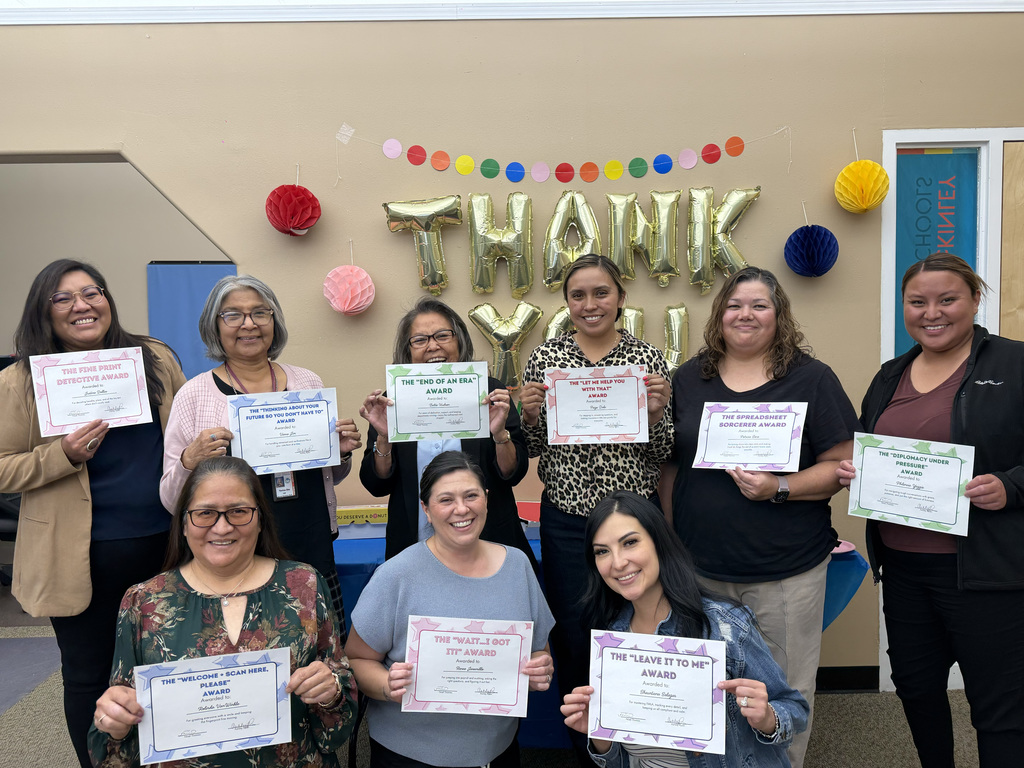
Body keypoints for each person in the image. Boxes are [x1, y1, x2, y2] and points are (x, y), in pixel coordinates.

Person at [661, 266, 857, 768]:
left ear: (779, 315)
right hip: (700, 569)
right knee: (708, 692)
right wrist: (669, 542)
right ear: (719, 314)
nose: (745, 314)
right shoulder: (690, 377)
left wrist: (780, 487)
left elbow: (841, 463)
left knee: (782, 692)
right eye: (734, 305)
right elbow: (670, 465)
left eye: (759, 305)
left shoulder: (810, 377)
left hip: (784, 571)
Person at [836, 252, 1024, 767]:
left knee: (998, 704)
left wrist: (1011, 486)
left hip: (985, 571)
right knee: (916, 689)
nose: (931, 312)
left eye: (947, 299)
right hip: (903, 568)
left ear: (975, 300)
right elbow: (868, 446)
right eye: (917, 302)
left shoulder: (1014, 364)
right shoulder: (889, 375)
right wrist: (860, 471)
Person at [0, 259, 186, 768]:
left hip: (167, 546)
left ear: (108, 300)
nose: (82, 305)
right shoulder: (20, 379)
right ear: (44, 311)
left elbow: (184, 432)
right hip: (77, 556)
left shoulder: (152, 357)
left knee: (172, 667)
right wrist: (62, 455)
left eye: (92, 292)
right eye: (64, 298)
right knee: (88, 674)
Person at [89, 456, 357, 767]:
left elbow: (338, 723)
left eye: (239, 512)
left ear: (260, 520)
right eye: (205, 513)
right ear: (184, 523)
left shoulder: (304, 585)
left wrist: (330, 692)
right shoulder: (144, 602)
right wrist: (115, 723)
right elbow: (115, 743)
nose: (222, 526)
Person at [518, 253, 672, 761]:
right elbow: (534, 448)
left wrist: (654, 414)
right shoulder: (545, 360)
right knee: (576, 634)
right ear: (566, 303)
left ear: (621, 298)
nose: (590, 304)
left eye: (601, 293)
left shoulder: (647, 360)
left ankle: (643, 747)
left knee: (635, 631)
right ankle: (590, 749)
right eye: (578, 295)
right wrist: (531, 417)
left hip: (631, 520)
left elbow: (661, 453)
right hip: (566, 520)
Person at [160, 275, 361, 635]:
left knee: (323, 657)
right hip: (234, 556)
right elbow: (171, 499)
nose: (249, 324)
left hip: (310, 545)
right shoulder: (194, 395)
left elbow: (324, 477)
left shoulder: (308, 383)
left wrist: (340, 455)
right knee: (250, 657)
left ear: (274, 321)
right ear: (214, 326)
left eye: (259, 313)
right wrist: (189, 462)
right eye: (233, 315)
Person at [560, 490, 808, 768]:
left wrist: (767, 718)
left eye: (630, 543)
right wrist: (599, 734)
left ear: (659, 543)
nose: (617, 563)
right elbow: (621, 760)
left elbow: (795, 710)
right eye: (602, 551)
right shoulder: (610, 638)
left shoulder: (724, 625)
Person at [345, 451, 555, 768]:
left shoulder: (518, 566)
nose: (461, 509)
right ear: (426, 510)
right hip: (409, 754)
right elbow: (357, 659)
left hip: (496, 751)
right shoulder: (396, 575)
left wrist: (539, 668)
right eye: (446, 500)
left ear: (486, 499)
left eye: (471, 495)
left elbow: (539, 650)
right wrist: (387, 686)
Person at [358, 296, 536, 568]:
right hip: (414, 548)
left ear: (459, 341)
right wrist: (384, 437)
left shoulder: (489, 391)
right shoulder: (392, 401)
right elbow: (376, 484)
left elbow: (513, 473)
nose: (432, 346)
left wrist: (500, 434)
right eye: (420, 340)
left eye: (442, 335)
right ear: (408, 350)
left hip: (489, 544)